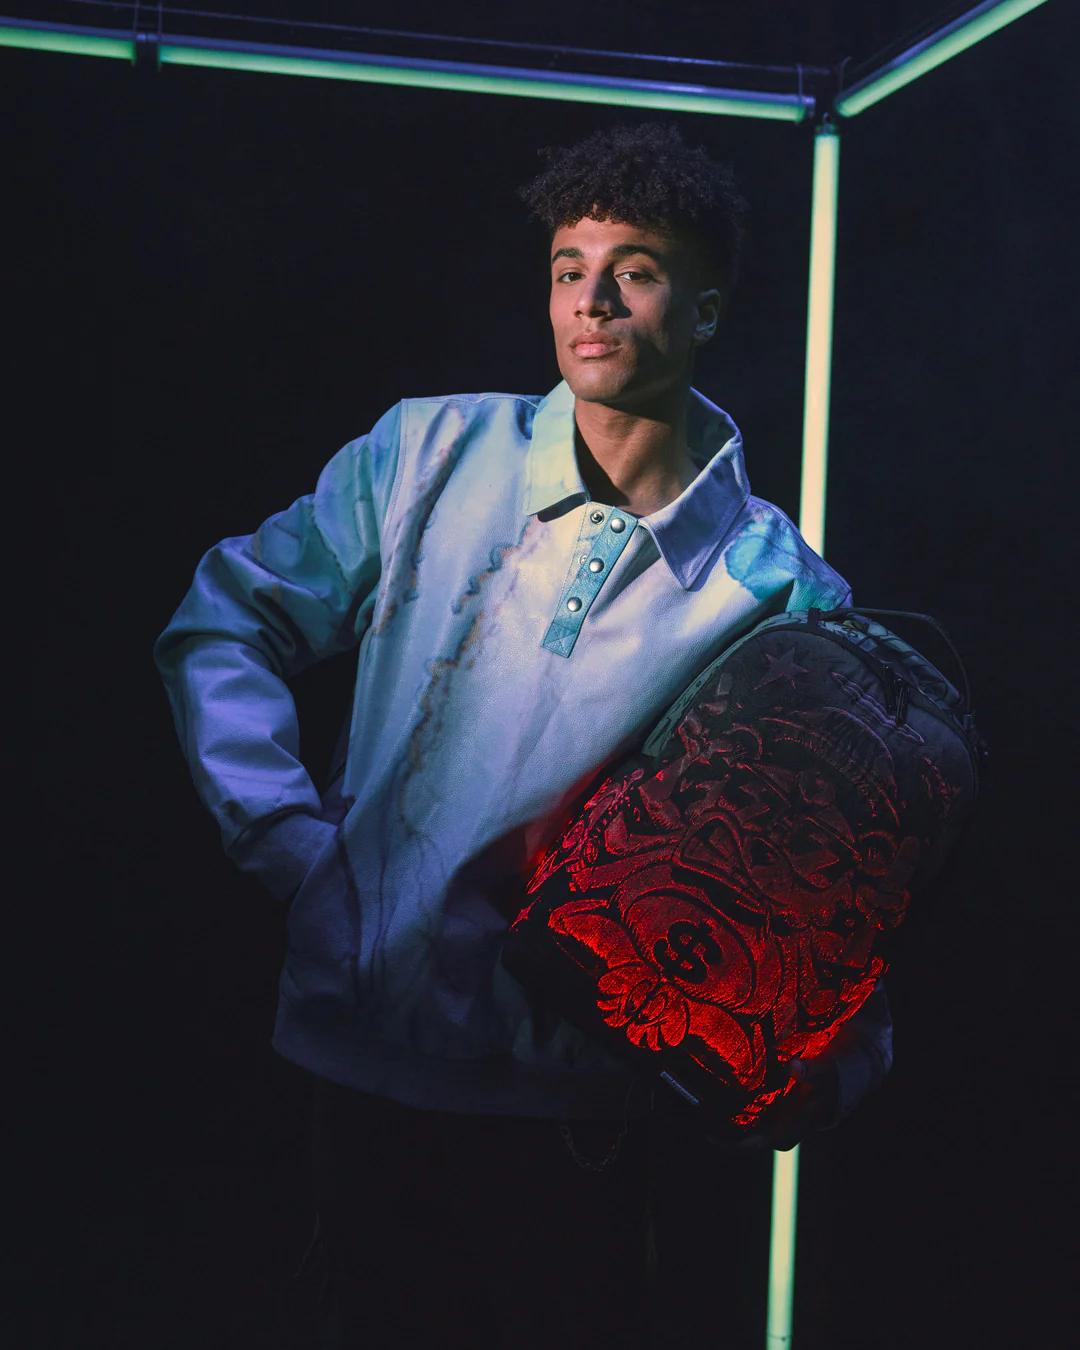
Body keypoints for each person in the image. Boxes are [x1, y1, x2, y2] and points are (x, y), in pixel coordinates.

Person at [155, 123, 892, 1349]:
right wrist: (284, 837)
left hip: (577, 1110)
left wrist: (824, 1067)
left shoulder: (778, 588)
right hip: (359, 1059)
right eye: (567, 268)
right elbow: (227, 616)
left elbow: (832, 868)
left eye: (634, 270)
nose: (591, 302)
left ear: (706, 309)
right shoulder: (428, 451)